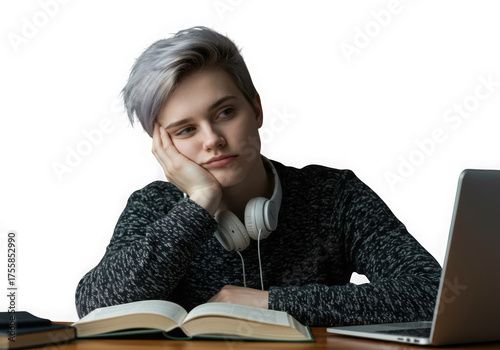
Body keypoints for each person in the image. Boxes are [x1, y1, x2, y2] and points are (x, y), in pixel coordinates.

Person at [75, 26, 441, 326]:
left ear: (256, 108)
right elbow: (95, 305)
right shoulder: (156, 206)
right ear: (162, 147)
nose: (213, 140)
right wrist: (199, 205)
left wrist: (269, 302)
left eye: (225, 113)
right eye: (186, 131)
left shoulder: (333, 195)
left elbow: (434, 293)